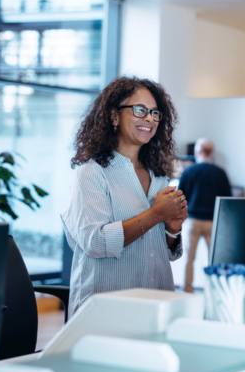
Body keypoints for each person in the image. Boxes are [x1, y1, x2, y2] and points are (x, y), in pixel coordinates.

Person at [61, 77, 189, 316]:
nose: (150, 119)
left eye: (155, 113)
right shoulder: (91, 173)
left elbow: (161, 252)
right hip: (106, 310)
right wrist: (155, 214)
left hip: (157, 305)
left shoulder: (158, 177)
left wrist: (172, 229)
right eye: (140, 110)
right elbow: (96, 242)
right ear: (114, 116)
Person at [177, 138, 233, 293]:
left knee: (189, 258)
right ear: (211, 152)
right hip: (212, 222)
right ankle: (213, 289)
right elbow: (227, 199)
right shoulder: (220, 173)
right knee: (213, 259)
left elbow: (180, 196)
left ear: (197, 152)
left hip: (193, 221)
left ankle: (187, 289)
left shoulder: (189, 171)